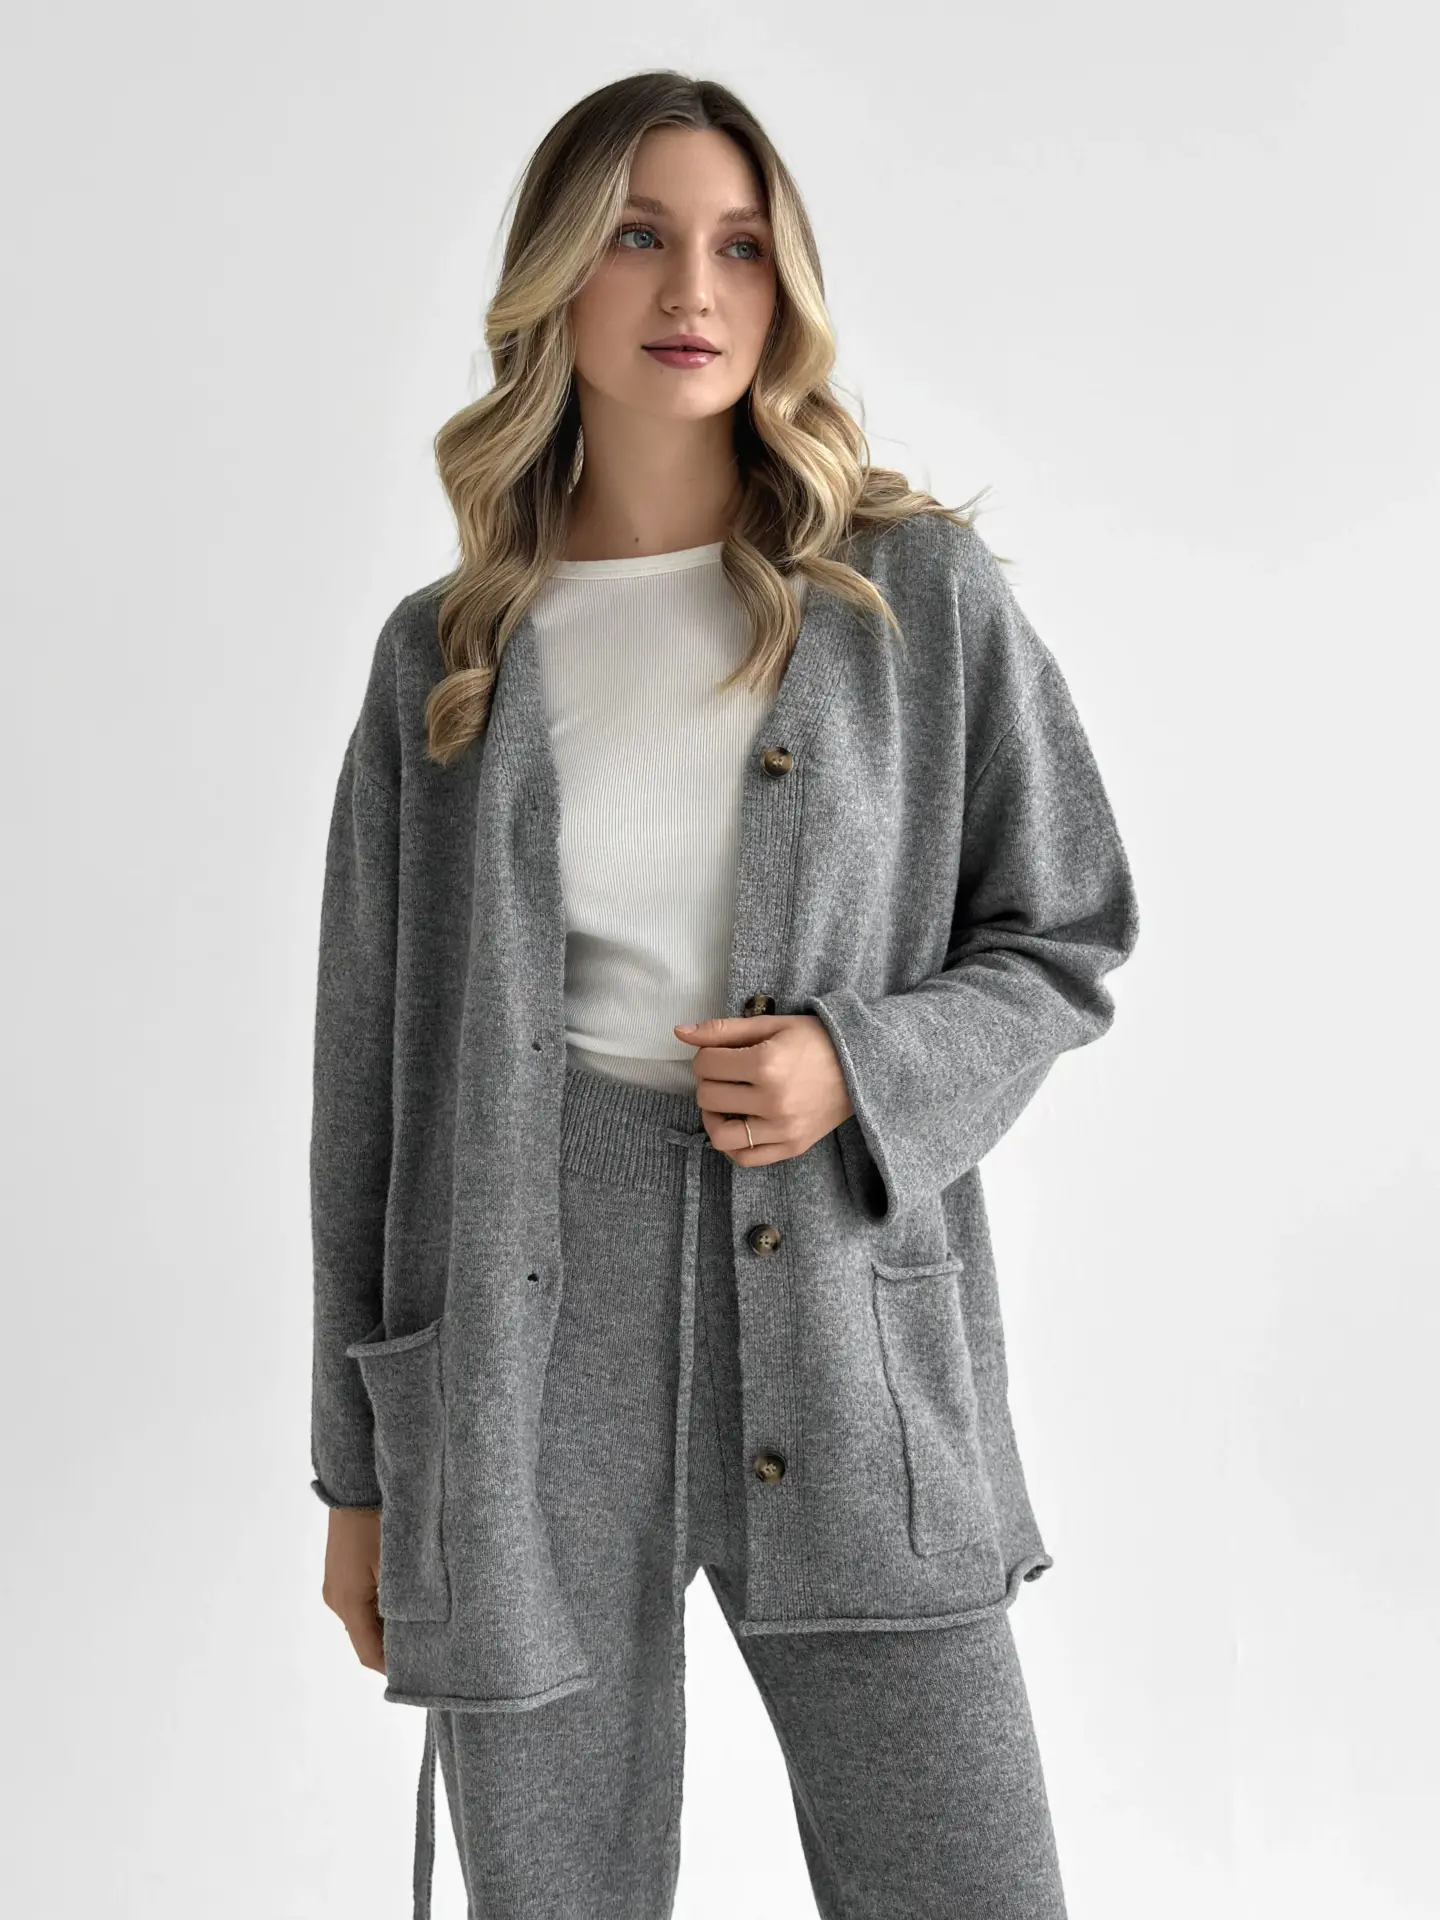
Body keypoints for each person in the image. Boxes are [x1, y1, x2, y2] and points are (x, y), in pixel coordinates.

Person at [311, 68, 1140, 1920]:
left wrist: (862, 1065)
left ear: (786, 287)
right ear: (556, 278)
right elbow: (362, 1089)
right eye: (639, 236)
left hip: (846, 1327)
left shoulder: (906, 596)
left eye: (742, 246)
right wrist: (355, 1478)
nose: (695, 287)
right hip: (523, 1363)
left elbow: (1066, 929)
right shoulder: (443, 658)